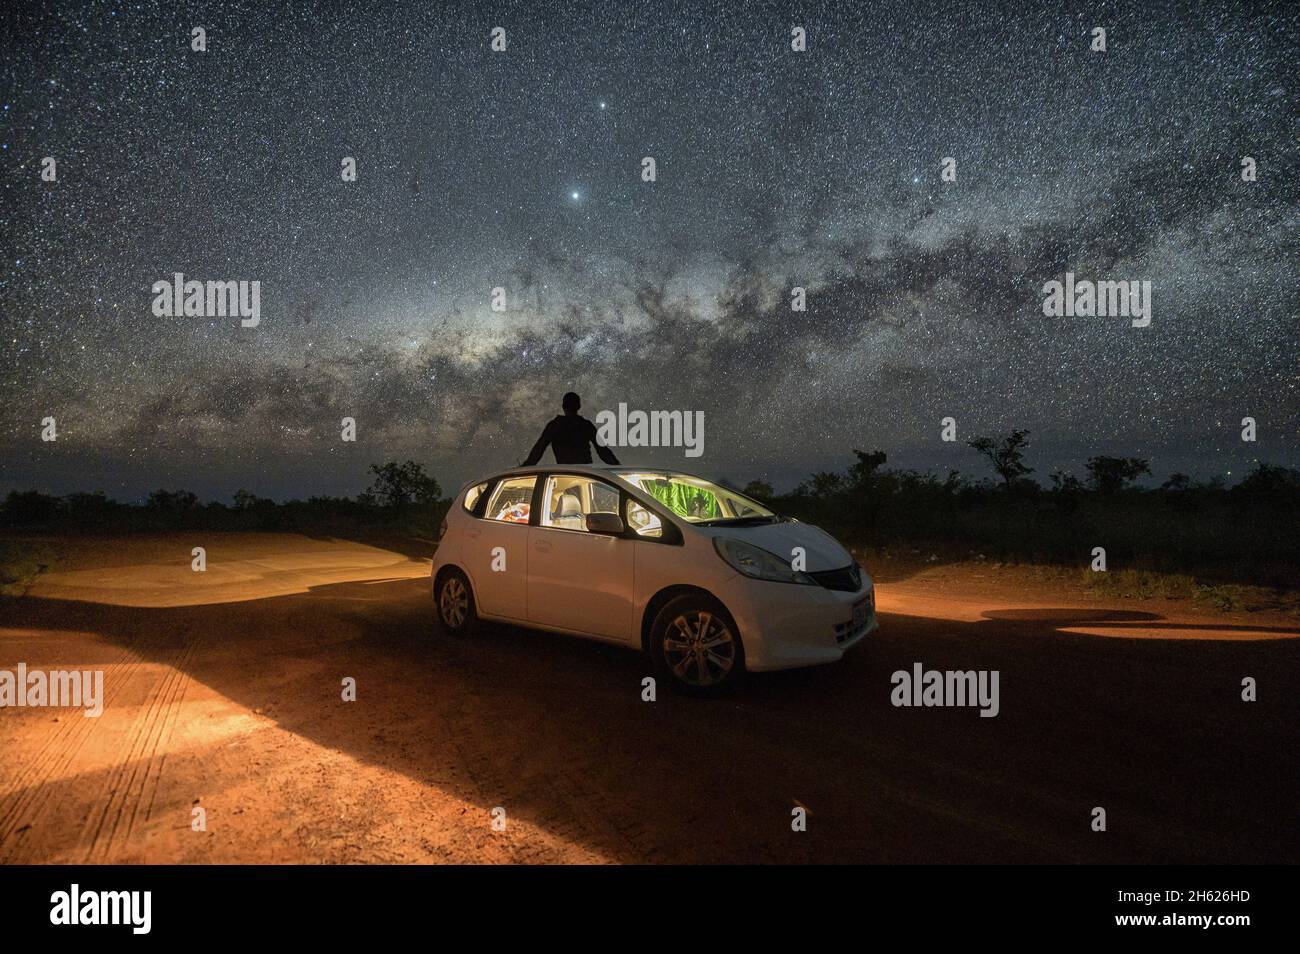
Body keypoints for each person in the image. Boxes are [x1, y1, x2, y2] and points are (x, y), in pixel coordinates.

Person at [521, 392, 620, 466]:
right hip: (586, 473)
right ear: (579, 406)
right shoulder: (585, 425)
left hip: (566, 473)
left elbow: (539, 449)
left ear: (563, 406)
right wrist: (617, 467)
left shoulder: (554, 425)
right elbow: (603, 451)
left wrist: (526, 466)